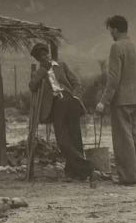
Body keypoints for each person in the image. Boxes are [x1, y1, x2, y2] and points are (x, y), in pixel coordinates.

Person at [95, 15, 136, 185]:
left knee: (122, 140)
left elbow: (113, 79)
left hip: (122, 101)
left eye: (110, 30)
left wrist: (103, 101)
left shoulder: (116, 48)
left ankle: (128, 178)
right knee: (134, 137)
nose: (110, 33)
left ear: (115, 29)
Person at [29, 43, 95, 181]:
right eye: (41, 57)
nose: (45, 57)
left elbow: (76, 82)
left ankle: (76, 173)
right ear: (38, 59)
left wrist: (75, 97)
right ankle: (86, 165)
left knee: (75, 136)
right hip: (56, 104)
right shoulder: (39, 73)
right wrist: (42, 70)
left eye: (46, 54)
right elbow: (32, 86)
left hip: (69, 100)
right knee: (62, 140)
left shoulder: (62, 66)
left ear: (49, 54)